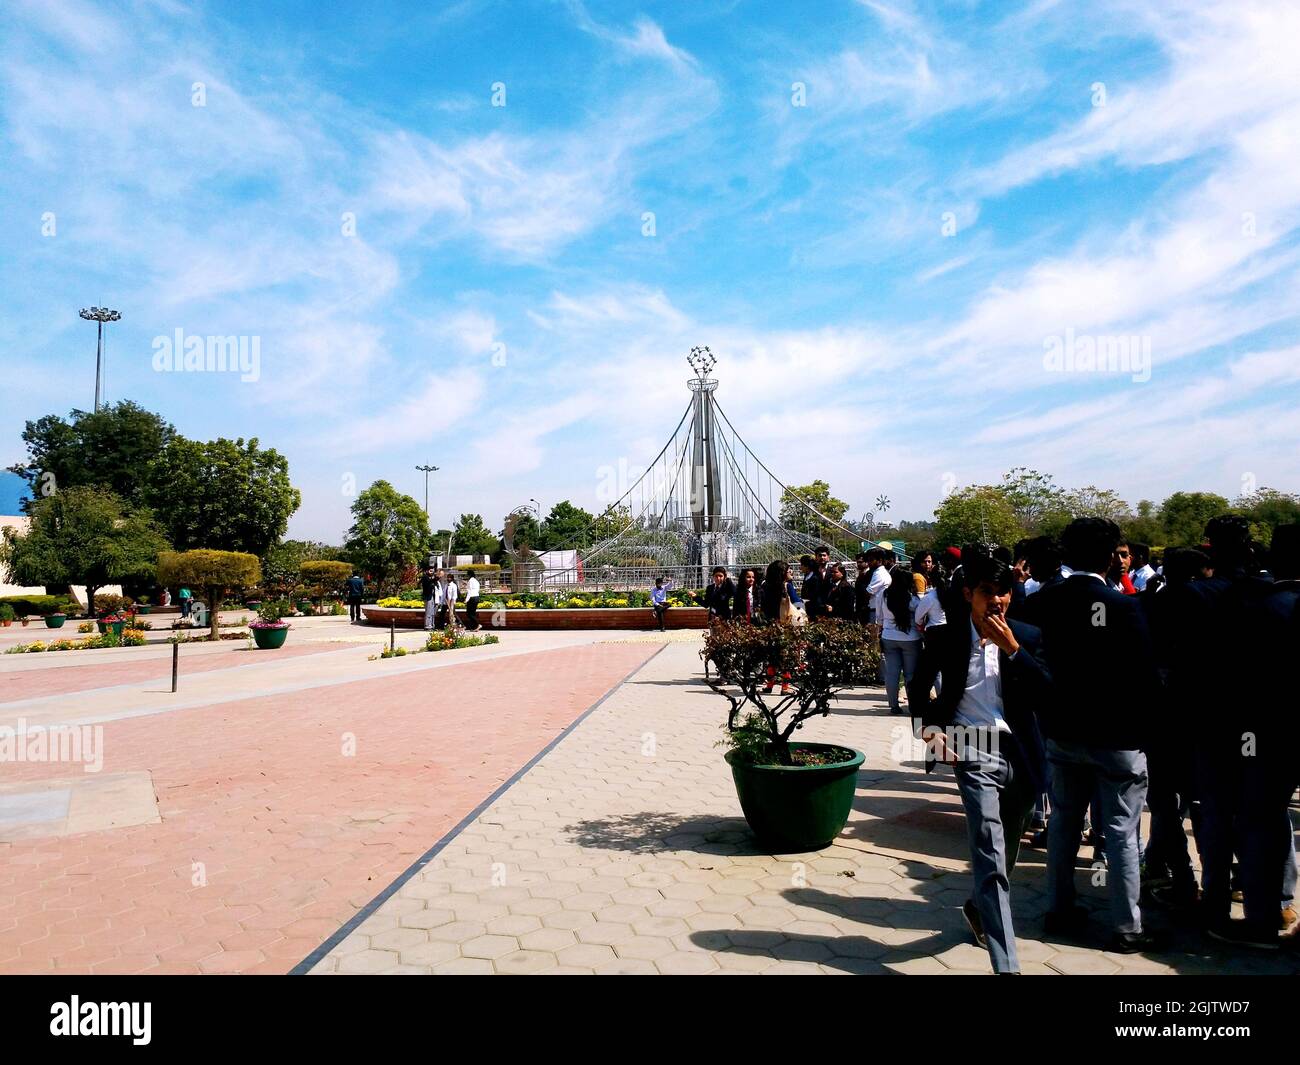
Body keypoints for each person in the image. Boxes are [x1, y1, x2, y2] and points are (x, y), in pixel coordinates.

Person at [1164, 515, 1299, 948]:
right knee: (1266, 819)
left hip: (1215, 725)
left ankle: (1221, 908)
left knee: (1222, 817)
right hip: (1270, 729)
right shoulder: (1275, 599)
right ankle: (1272, 906)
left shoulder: (1198, 597)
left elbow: (1179, 664)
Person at [913, 552, 1051, 974]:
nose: (997, 601)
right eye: (988, 592)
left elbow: (1049, 695)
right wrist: (929, 731)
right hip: (970, 745)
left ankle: (978, 907)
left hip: (1021, 753)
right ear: (969, 594)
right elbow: (918, 688)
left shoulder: (1028, 635)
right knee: (989, 854)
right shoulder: (944, 637)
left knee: (1008, 843)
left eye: (1004, 592)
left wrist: (1013, 650)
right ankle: (1006, 965)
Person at [1035, 518, 1162, 953]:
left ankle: (1058, 907)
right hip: (1117, 737)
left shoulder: (1046, 600)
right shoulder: (1123, 606)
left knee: (1065, 822)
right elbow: (1146, 678)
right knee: (1121, 831)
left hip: (1064, 731)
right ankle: (1127, 926)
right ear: (1111, 556)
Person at [878, 567, 921, 716]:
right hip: (910, 637)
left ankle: (893, 705)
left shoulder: (884, 595)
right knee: (910, 675)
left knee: (892, 673)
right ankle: (913, 705)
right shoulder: (913, 599)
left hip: (888, 636)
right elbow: (920, 617)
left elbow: (880, 618)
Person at [759, 560, 802, 693]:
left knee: (772, 656)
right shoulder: (786, 586)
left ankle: (770, 685)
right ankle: (785, 687)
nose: (790, 572)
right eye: (788, 570)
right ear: (781, 573)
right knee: (786, 656)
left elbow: (764, 607)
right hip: (785, 624)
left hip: (771, 625)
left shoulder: (765, 586)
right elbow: (796, 602)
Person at [799, 555, 826, 620]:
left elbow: (816, 594)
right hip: (807, 606)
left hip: (815, 608)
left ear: (807, 566)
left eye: (802, 565)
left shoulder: (815, 577)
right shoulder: (807, 576)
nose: (800, 567)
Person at [421, 565, 438, 631]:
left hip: (432, 596)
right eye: (430, 571)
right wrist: (435, 578)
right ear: (427, 571)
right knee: (428, 611)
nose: (432, 572)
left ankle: (432, 625)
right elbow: (428, 583)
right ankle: (428, 626)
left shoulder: (430, 578)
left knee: (432, 612)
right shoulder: (425, 577)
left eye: (432, 571)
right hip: (428, 597)